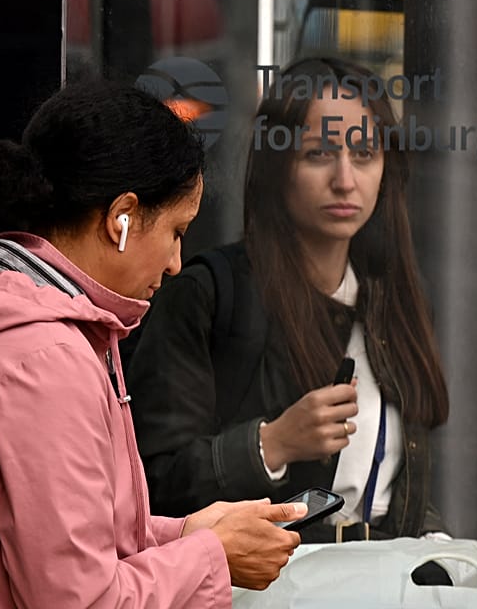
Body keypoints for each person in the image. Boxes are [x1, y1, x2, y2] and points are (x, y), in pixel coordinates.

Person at [0, 81, 304, 608]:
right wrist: (210, 554)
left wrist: (191, 533)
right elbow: (84, 600)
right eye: (176, 230)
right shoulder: (43, 360)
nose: (176, 262)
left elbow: (60, 547)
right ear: (121, 218)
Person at [127, 56, 449, 543]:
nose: (345, 180)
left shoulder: (394, 298)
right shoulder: (211, 293)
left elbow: (396, 486)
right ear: (278, 166)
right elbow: (152, 484)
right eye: (319, 154)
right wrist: (270, 444)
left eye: (364, 155)